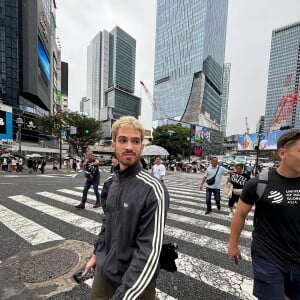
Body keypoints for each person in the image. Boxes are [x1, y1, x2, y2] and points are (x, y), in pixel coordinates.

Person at [82, 116, 169, 300]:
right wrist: (97, 254)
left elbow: (149, 252)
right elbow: (107, 225)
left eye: (135, 141)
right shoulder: (109, 184)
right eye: (122, 140)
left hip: (138, 281)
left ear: (141, 147)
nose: (129, 146)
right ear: (113, 144)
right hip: (105, 271)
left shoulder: (153, 189)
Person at [228, 129, 300, 300]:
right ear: (282, 153)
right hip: (268, 255)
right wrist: (233, 244)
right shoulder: (259, 183)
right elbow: (240, 215)